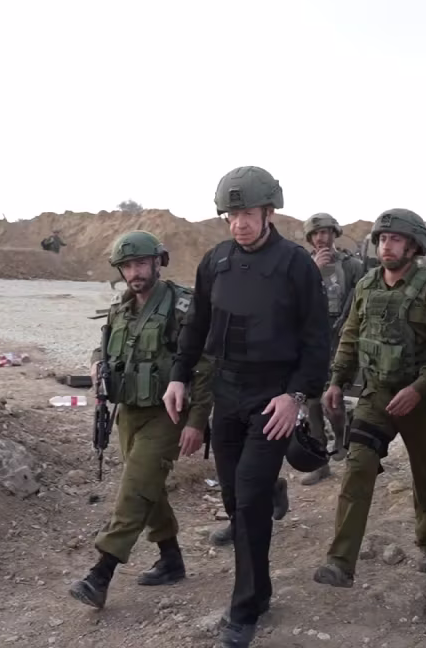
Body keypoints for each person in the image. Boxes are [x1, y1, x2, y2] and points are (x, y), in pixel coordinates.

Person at [163, 166, 329, 648]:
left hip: (272, 397)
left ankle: (244, 610)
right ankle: (259, 590)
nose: (240, 223)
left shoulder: (296, 265)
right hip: (227, 393)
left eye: (248, 213)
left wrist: (295, 396)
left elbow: (318, 340)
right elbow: (196, 326)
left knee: (252, 499)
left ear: (268, 212)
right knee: (236, 500)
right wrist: (179, 376)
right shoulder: (214, 262)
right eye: (232, 214)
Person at [69, 231, 213, 609]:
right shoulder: (121, 309)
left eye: (141, 263)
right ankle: (171, 559)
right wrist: (96, 363)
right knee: (149, 486)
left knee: (133, 490)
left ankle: (101, 573)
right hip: (129, 412)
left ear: (157, 263)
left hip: (168, 414)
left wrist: (197, 421)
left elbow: (205, 365)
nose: (135, 272)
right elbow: (106, 349)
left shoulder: (183, 307)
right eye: (128, 266)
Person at [313, 208, 426, 588]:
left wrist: (418, 389)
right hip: (375, 398)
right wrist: (336, 381)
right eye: (383, 239)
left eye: (396, 240)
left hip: (420, 402)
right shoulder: (368, 284)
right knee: (358, 468)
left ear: (414, 246)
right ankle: (340, 562)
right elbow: (352, 335)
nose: (387, 246)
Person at [301, 212, 365, 482]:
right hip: (313, 341)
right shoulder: (302, 265)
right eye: (316, 234)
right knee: (312, 402)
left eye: (326, 232)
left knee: (335, 402)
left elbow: (359, 299)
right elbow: (291, 299)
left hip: (342, 339)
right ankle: (319, 461)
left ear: (334, 234)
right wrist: (312, 272)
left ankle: (341, 435)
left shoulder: (352, 265)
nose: (321, 238)